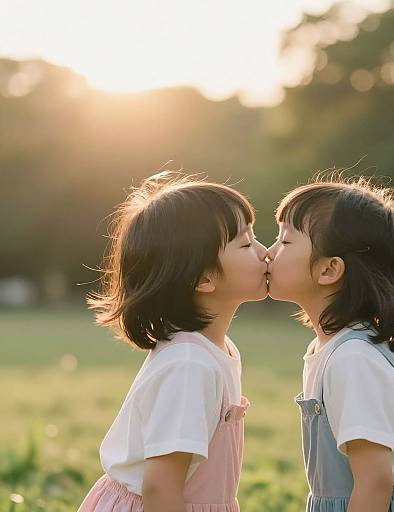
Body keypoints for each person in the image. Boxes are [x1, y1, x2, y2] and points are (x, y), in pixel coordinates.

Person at [267, 175, 394, 511]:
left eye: (285, 242)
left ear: (329, 270)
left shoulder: (352, 359)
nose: (267, 253)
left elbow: (375, 483)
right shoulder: (329, 349)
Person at [77, 171, 268, 512]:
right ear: (204, 278)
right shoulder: (189, 366)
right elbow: (162, 490)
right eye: (246, 243)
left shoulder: (217, 351)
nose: (265, 252)